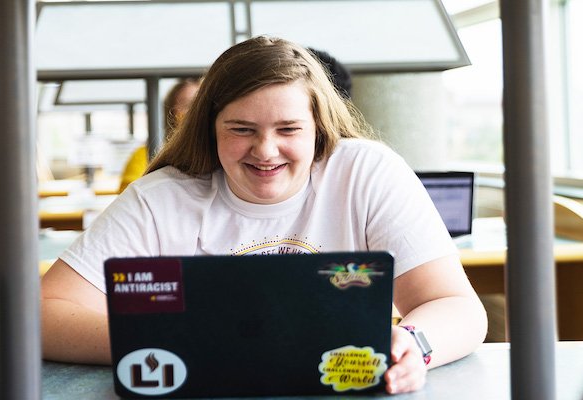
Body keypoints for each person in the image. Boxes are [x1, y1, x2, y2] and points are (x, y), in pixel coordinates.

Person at [41, 36, 487, 394]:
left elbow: (458, 308)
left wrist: (415, 345)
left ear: (319, 127)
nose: (266, 150)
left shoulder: (366, 172)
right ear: (210, 128)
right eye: (241, 129)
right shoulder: (159, 198)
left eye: (289, 129)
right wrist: (169, 338)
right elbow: (36, 317)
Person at [117, 78, 201, 192]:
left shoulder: (218, 154)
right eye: (188, 104)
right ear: (171, 111)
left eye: (201, 104)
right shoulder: (145, 155)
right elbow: (129, 199)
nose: (196, 111)